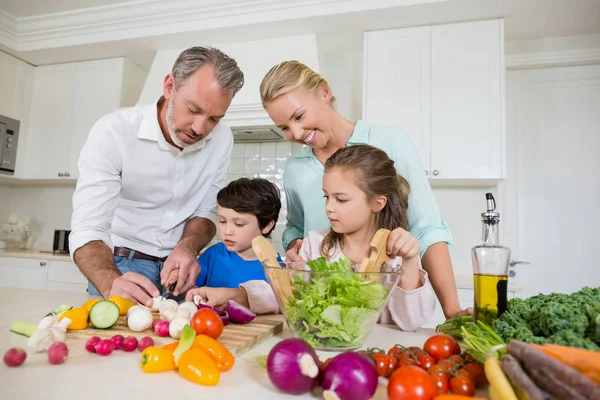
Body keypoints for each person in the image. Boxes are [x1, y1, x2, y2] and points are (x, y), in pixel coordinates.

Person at [260, 60, 471, 319]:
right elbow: (295, 227)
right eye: (284, 127)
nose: (296, 132)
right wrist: (299, 250)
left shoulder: (390, 142)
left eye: (299, 116)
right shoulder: (295, 168)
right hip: (326, 312)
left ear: (324, 93)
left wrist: (452, 310)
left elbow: (427, 230)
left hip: (385, 309)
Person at [69, 46, 244, 308]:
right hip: (121, 268)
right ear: (169, 86)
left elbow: (206, 211)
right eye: (193, 110)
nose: (200, 128)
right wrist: (109, 281)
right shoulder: (113, 132)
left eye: (214, 118)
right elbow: (88, 228)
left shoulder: (222, 139)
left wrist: (187, 246)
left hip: (180, 272)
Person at [299, 144, 435, 330]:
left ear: (377, 203)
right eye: (326, 197)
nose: (329, 207)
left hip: (381, 354)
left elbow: (412, 322)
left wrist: (410, 261)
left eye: (341, 199)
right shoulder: (314, 246)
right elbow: (295, 308)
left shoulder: (398, 256)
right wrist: (292, 273)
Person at [185, 178, 281, 314]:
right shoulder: (214, 254)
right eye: (222, 221)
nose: (227, 231)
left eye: (239, 224)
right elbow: (190, 288)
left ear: (266, 226)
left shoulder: (277, 269)